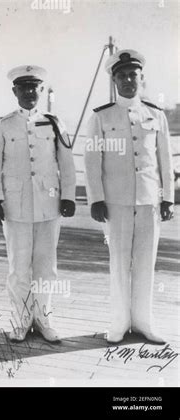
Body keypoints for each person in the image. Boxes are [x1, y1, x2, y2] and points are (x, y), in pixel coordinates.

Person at [85, 49, 174, 344]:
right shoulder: (101, 117)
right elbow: (92, 159)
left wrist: (168, 199)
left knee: (146, 262)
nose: (127, 80)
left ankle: (144, 322)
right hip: (116, 202)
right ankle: (119, 323)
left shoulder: (155, 115)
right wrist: (96, 198)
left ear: (141, 78)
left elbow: (165, 160)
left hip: (149, 200)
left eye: (132, 75)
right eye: (121, 76)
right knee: (120, 262)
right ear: (114, 81)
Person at [0, 65, 76, 343]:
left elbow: (66, 162)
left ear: (41, 90)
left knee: (46, 267)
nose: (29, 92)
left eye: (34, 87)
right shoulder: (4, 124)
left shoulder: (55, 123)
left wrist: (69, 195)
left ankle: (44, 317)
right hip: (16, 206)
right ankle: (22, 320)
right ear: (15, 91)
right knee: (19, 267)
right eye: (23, 88)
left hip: (49, 204)